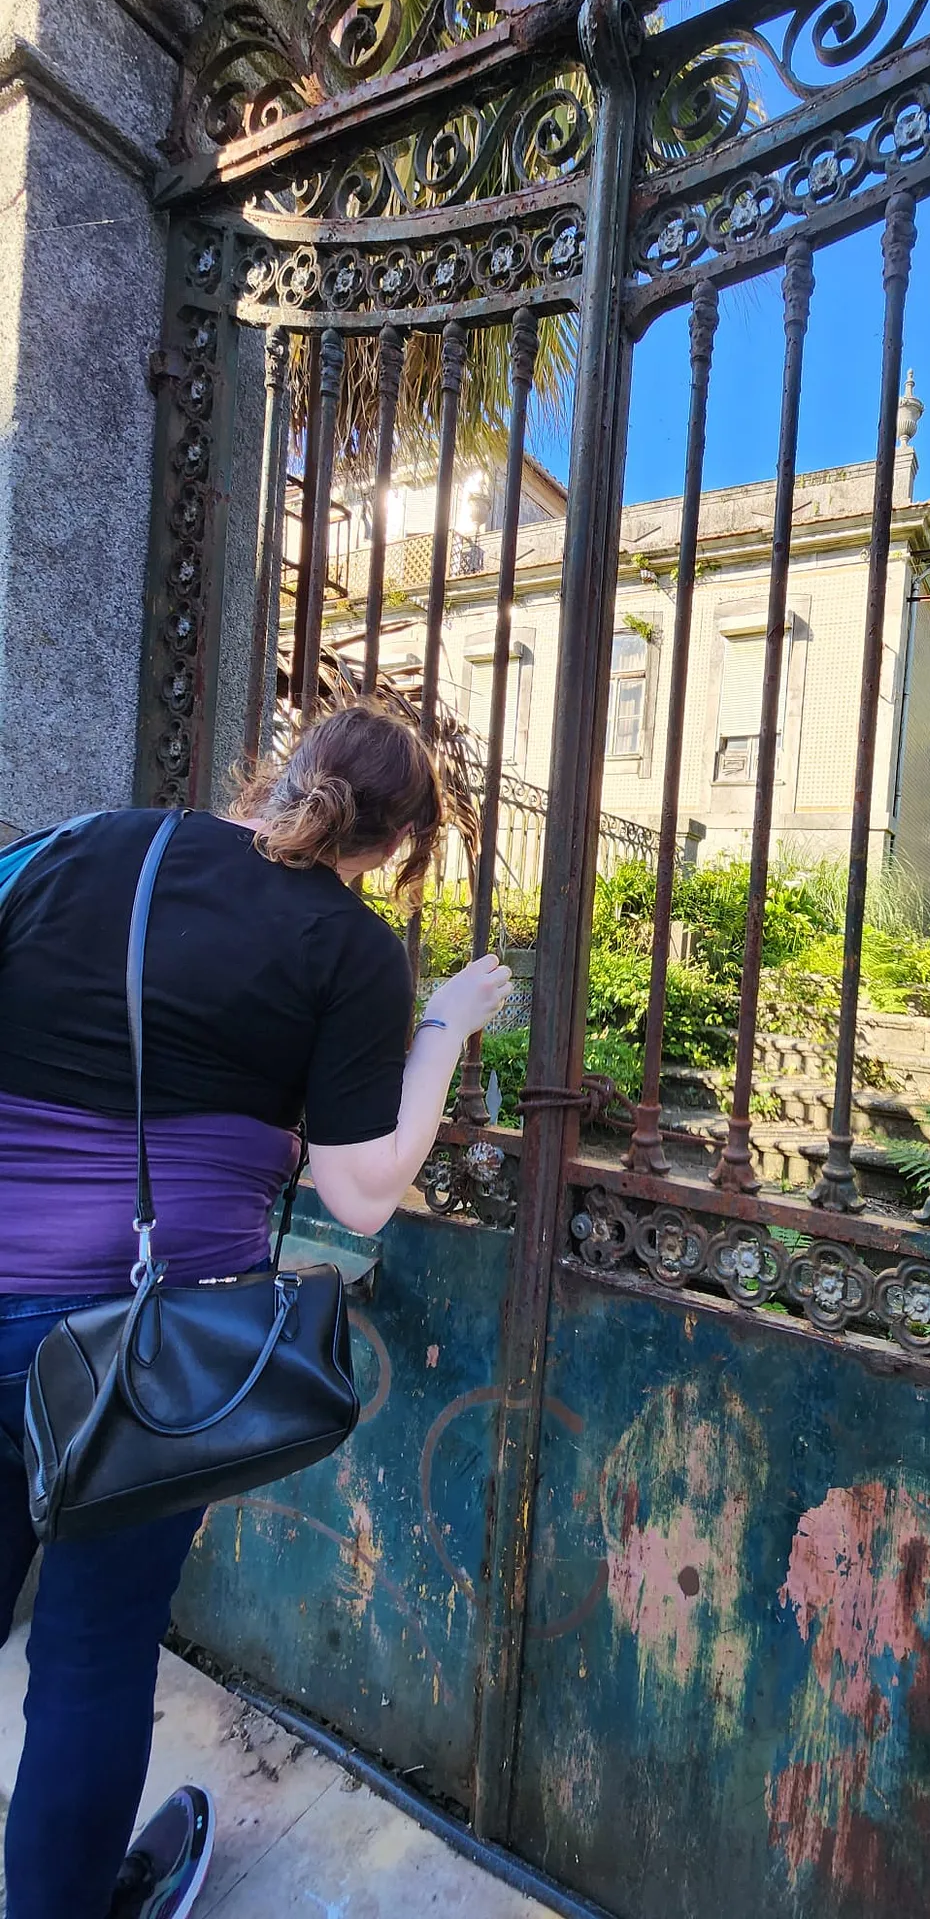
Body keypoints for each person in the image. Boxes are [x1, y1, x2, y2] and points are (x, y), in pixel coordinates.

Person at [0, 704, 513, 1919]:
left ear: (281, 772)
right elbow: (361, 1192)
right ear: (395, 849)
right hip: (148, 1346)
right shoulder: (349, 949)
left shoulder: (85, 843)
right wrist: (440, 1030)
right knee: (92, 1656)